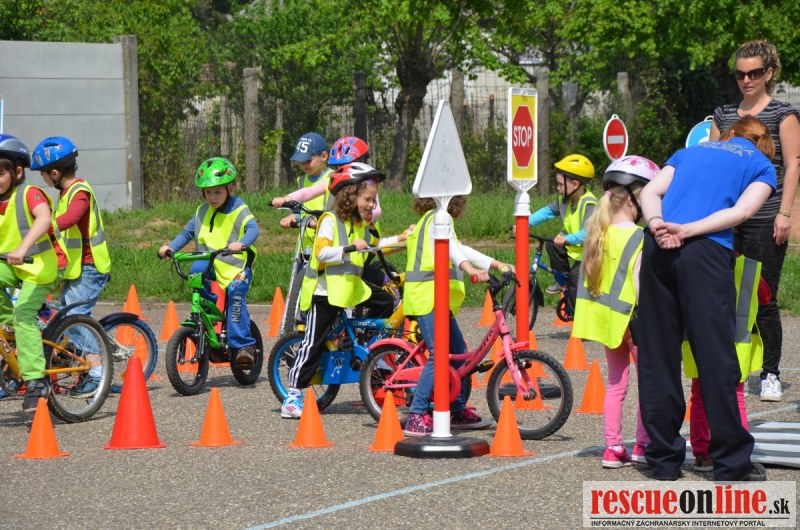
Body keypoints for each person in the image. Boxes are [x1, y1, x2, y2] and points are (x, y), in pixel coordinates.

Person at [638, 115, 776, 482]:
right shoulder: (762, 166)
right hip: (705, 251)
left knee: (658, 355)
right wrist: (688, 230)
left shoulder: (689, 152)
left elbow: (649, 192)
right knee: (715, 357)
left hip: (657, 246)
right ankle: (731, 463)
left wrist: (658, 225)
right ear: (764, 146)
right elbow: (742, 212)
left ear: (729, 134)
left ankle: (663, 461)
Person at [281, 162, 410, 419]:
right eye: (368, 199)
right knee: (313, 343)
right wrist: (349, 249)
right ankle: (292, 397)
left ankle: (372, 349)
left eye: (373, 200)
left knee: (385, 301)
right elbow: (321, 252)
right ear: (350, 196)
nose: (372, 205)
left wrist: (404, 238)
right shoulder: (330, 221)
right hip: (325, 293)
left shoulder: (360, 225)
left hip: (350, 289)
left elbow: (377, 245)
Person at [709, 39, 800, 402]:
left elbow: (792, 165)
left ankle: (771, 373)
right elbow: (712, 164)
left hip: (765, 217)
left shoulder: (783, 114)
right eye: (740, 74)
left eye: (755, 73)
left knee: (763, 296)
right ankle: (735, 368)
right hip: (727, 219)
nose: (747, 80)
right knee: (728, 296)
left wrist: (784, 213)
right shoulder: (722, 115)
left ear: (769, 73)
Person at [573, 155, 660, 468]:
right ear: (635, 200)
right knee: (647, 384)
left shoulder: (598, 233)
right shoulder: (638, 237)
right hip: (635, 322)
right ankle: (642, 445)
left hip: (609, 323)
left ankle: (612, 448)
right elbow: (639, 284)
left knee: (615, 384)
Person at [403, 195, 515, 436]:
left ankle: (456, 410)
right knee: (439, 354)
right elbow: (455, 251)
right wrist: (470, 269)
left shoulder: (438, 219)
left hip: (438, 299)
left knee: (458, 353)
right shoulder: (436, 218)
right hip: (425, 297)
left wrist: (496, 264)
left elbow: (460, 248)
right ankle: (416, 414)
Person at [158, 158, 259, 367]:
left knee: (235, 294)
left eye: (217, 192)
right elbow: (187, 233)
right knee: (195, 273)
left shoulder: (239, 208)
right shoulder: (201, 211)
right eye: (208, 192)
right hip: (209, 261)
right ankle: (208, 317)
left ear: (230, 189)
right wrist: (171, 248)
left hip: (236, 265)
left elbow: (253, 229)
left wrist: (241, 243)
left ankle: (244, 346)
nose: (212, 197)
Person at [30, 136, 112, 396]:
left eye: (43, 174)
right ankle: (75, 359)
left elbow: (71, 218)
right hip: (75, 268)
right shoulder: (64, 194)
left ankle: (96, 371)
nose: (42, 178)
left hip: (91, 266)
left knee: (75, 317)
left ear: (54, 173)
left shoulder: (79, 192)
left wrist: (45, 226)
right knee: (64, 315)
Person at [683, 255, 768, 472]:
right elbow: (765, 297)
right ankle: (739, 453)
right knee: (736, 396)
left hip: (698, 339)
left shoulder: (698, 260)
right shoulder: (748, 266)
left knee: (699, 395)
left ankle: (702, 453)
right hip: (737, 343)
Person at [0, 134, 60, 412]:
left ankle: (36, 381)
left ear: (17, 171)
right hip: (11, 265)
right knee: (16, 320)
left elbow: (44, 217)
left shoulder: (29, 193)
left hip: (38, 267)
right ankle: (10, 328)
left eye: (0, 173)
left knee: (23, 313)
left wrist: (23, 248)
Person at [525, 154, 597, 304]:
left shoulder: (590, 204)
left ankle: (577, 313)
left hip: (588, 251)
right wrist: (525, 223)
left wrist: (567, 239)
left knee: (575, 282)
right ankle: (561, 279)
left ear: (575, 184)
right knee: (551, 243)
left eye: (560, 184)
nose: (558, 188)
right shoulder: (564, 200)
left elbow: (589, 232)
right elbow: (547, 212)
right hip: (571, 245)